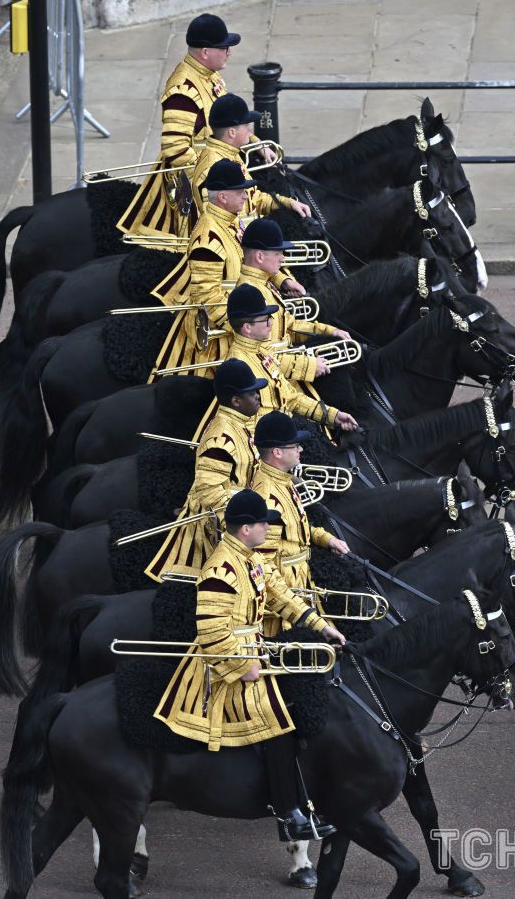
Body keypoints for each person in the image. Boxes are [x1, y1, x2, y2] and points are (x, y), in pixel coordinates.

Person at [154, 488, 345, 841]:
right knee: (278, 726)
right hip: (223, 666)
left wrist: (321, 626)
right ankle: (289, 814)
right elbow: (210, 630)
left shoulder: (249, 557)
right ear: (245, 528)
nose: (267, 529)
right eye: (263, 524)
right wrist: (241, 665)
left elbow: (279, 594)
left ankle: (302, 805)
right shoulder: (220, 568)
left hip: (253, 649)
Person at [117, 13, 241, 239]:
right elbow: (175, 149)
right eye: (224, 48)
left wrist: (256, 143)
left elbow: (229, 121)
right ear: (205, 52)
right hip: (193, 181)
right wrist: (215, 179)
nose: (229, 52)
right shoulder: (183, 90)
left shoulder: (210, 76)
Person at [144, 360, 266, 582]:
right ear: (236, 401)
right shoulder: (221, 438)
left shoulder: (242, 424)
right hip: (218, 523)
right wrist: (248, 515)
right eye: (251, 393)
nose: (258, 395)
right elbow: (209, 494)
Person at [148, 160, 257, 379]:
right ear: (223, 197)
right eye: (240, 191)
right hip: (219, 332)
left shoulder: (230, 222)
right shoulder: (209, 238)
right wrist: (244, 326)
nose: (246, 195)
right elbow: (207, 297)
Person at [220, 284, 359, 432]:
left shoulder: (262, 352)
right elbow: (252, 427)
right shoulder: (239, 366)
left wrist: (333, 416)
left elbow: (291, 398)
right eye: (266, 319)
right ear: (247, 328)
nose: (271, 323)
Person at [238, 218, 352, 383]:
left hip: (284, 367)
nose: (283, 259)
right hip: (273, 378)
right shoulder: (250, 294)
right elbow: (261, 355)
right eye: (277, 254)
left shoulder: (264, 285)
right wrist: (308, 366)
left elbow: (290, 325)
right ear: (260, 257)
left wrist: (329, 332)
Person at [252, 411, 349, 598]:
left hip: (301, 581)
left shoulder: (285, 482)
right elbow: (264, 565)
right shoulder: (267, 497)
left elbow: (293, 528)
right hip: (288, 595)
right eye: (295, 445)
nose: (301, 450)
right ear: (277, 452)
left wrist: (326, 539)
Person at [192, 94, 311, 220]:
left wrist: (288, 203)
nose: (250, 130)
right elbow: (219, 223)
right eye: (246, 126)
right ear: (232, 132)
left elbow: (253, 199)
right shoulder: (214, 167)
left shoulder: (229, 154)